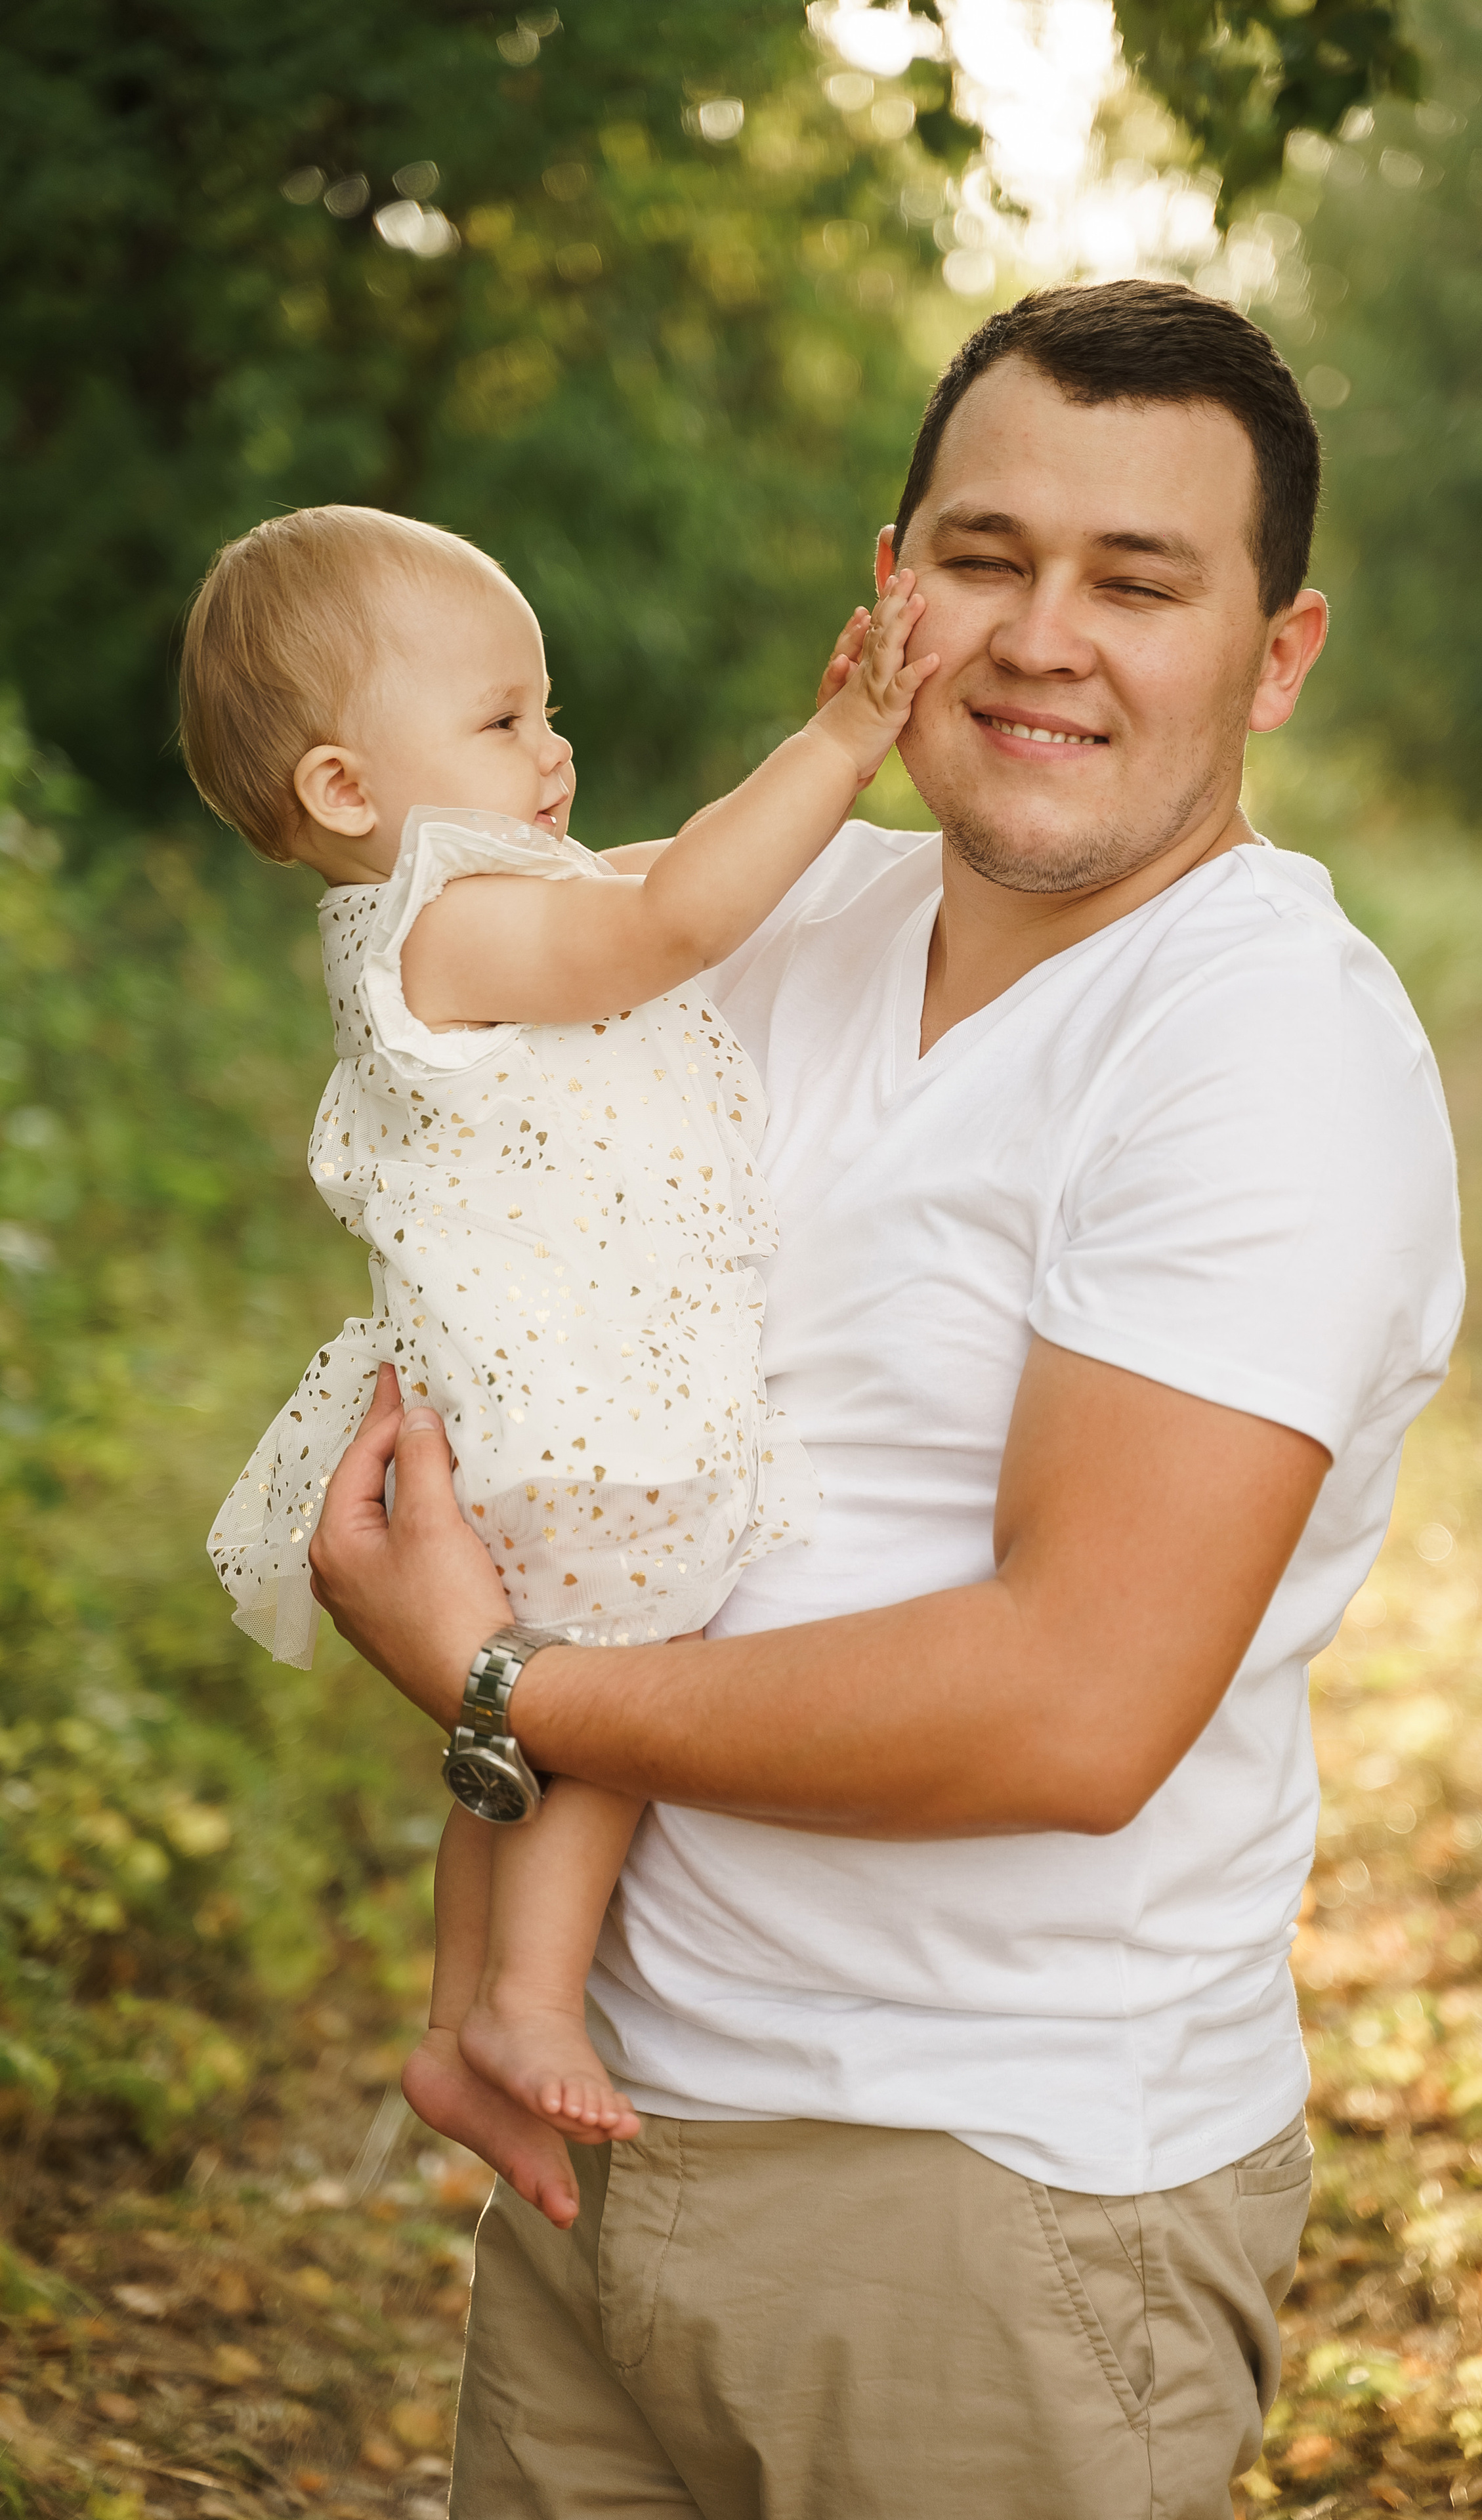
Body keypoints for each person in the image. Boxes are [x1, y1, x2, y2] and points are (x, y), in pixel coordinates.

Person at [308, 280, 1464, 2519]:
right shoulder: (786, 914)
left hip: (987, 2202)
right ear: (890, 587)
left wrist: (501, 1681)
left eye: (1139, 584)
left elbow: (1070, 1709)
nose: (1047, 636)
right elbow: (458, 1056)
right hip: (605, 2156)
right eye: (985, 556)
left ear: (1277, 656)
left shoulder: (1261, 1054)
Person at [178, 504, 935, 2231]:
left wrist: (799, 780)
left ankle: (455, 2028)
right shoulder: (451, 932)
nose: (555, 746)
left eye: (549, 707)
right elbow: (673, 919)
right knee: (607, 1702)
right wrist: (844, 741)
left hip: (524, 1397)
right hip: (576, 1411)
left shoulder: (474, 900)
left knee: (524, 1711)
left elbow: (686, 867)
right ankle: (527, 2000)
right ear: (348, 793)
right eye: (503, 719)